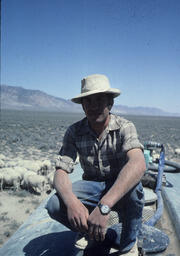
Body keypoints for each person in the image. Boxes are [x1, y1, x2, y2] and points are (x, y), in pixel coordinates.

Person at [46, 74, 146, 255]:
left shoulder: (124, 127)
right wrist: (72, 203)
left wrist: (105, 206)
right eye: (88, 101)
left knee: (135, 191)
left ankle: (128, 244)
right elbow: (61, 171)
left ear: (110, 103)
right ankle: (93, 232)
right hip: (92, 187)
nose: (93, 106)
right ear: (82, 106)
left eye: (99, 100)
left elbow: (138, 163)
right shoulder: (74, 131)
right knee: (54, 204)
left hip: (119, 188)